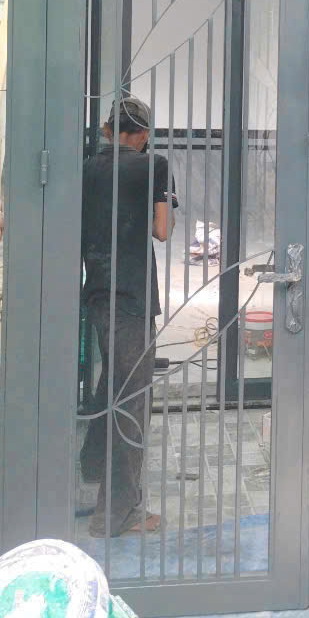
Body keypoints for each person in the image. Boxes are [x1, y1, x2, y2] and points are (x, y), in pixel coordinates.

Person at [79, 95, 177, 538]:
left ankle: (91, 463)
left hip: (98, 291)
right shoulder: (152, 166)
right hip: (133, 297)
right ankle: (117, 514)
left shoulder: (86, 167)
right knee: (131, 401)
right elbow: (162, 230)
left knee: (112, 382)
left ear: (108, 129)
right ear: (143, 134)